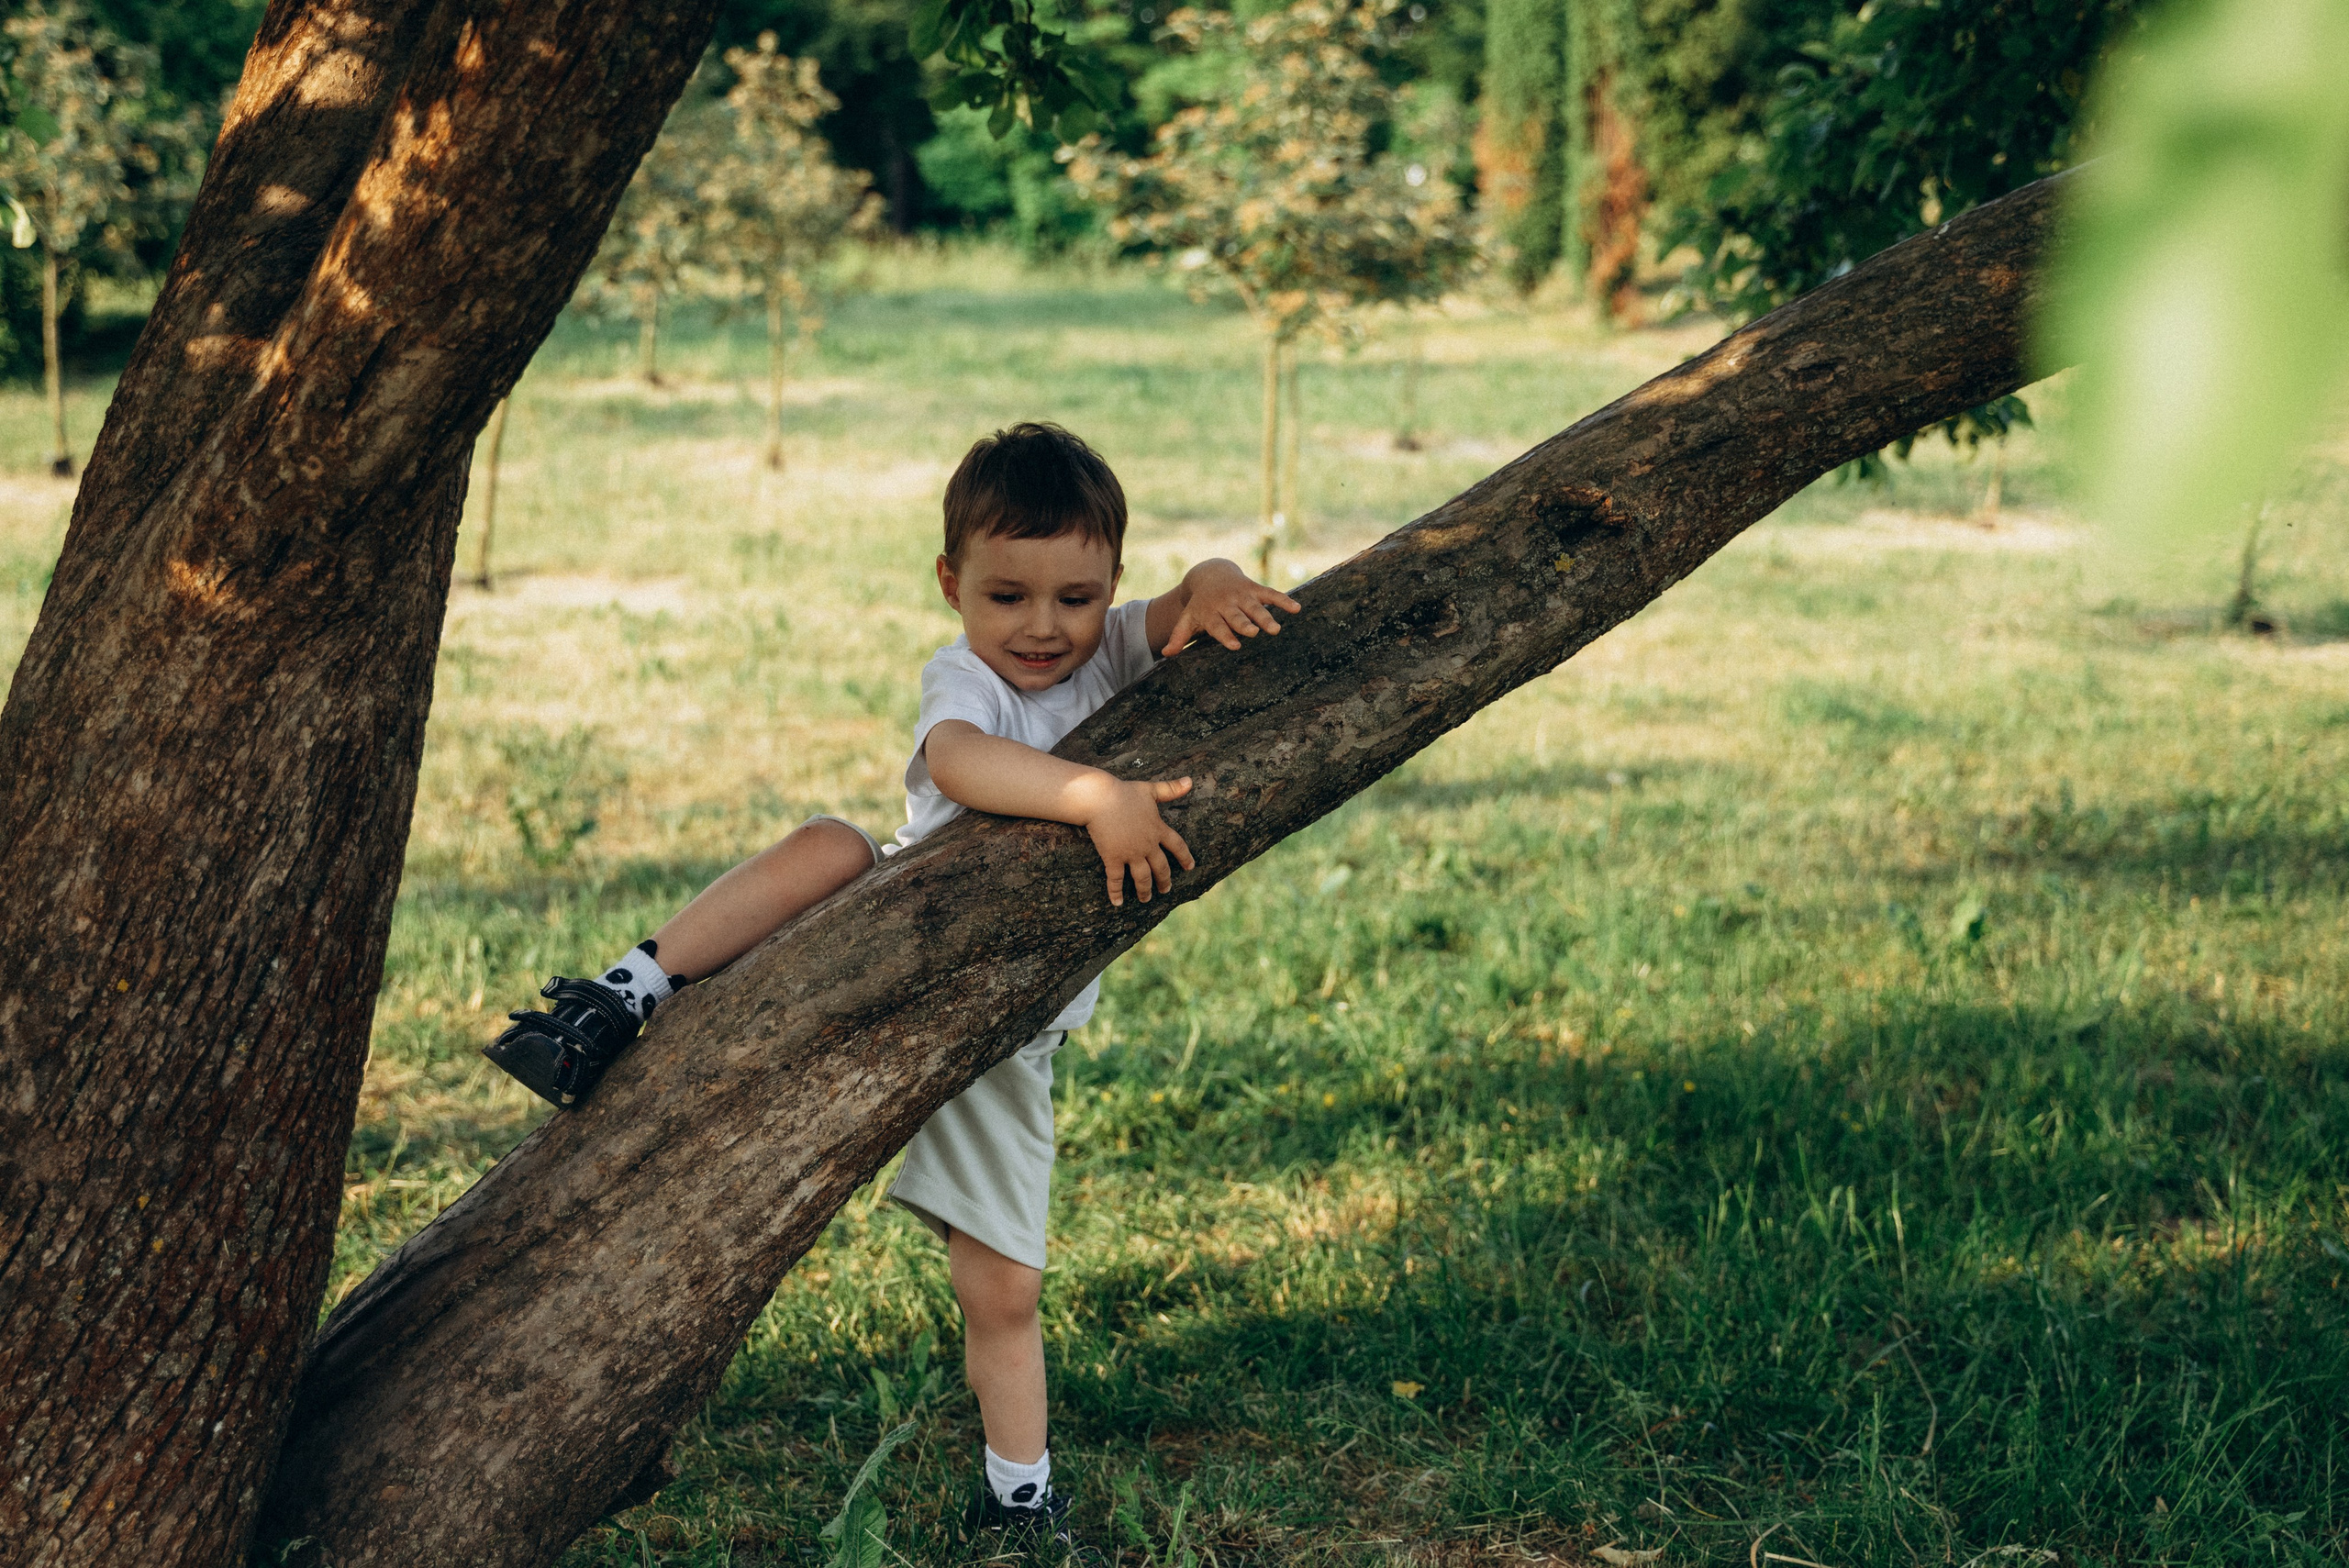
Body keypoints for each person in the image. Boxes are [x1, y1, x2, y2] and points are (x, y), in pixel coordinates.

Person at [483, 421, 1300, 1555]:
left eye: (1075, 596)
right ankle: (622, 994)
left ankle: (1018, 1492)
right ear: (950, 584)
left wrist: (1215, 583)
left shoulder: (1111, 646)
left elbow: (1180, 600)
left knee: (1005, 1285)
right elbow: (962, 761)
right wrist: (1091, 795)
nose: (1042, 626)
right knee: (832, 842)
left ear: (1108, 583)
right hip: (880, 954)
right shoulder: (963, 675)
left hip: (1003, 1033)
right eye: (1006, 594)